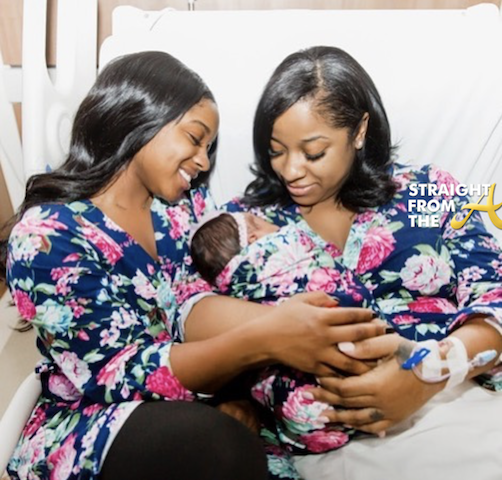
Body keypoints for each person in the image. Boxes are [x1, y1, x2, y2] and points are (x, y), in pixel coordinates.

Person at [0, 50, 385, 480]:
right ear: (138, 117)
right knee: (215, 448)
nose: (203, 162)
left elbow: (206, 304)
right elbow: (115, 375)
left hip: (201, 403)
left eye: (209, 148)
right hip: (97, 418)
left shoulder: (185, 209)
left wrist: (243, 390)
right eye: (195, 138)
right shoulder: (49, 235)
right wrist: (265, 339)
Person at [183, 46, 502, 480]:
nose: (291, 170)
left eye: (313, 152)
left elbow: (494, 297)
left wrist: (430, 371)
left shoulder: (428, 192)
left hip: (450, 403)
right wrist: (249, 384)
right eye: (276, 151)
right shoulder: (243, 224)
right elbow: (194, 317)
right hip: (315, 435)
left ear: (359, 131)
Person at [190, 211, 376, 455]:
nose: (278, 227)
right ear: (255, 237)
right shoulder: (290, 245)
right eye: (267, 223)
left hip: (301, 416)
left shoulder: (231, 296)